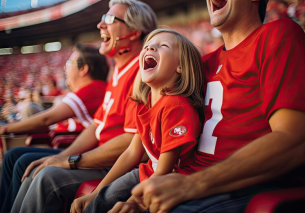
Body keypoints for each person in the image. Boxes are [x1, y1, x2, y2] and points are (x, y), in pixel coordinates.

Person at [130, 0, 305, 212]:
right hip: (190, 179)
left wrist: (192, 185)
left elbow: (296, 141)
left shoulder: (279, 34)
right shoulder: (203, 64)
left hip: (245, 183)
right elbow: (161, 121)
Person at [8, 0, 157, 213]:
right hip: (102, 156)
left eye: (110, 18)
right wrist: (61, 156)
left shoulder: (141, 73)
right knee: (33, 166)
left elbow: (130, 143)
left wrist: (70, 160)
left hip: (119, 165)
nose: (100, 24)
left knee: (45, 177)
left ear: (134, 33)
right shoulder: (117, 71)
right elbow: (97, 126)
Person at [70, 28, 205, 213]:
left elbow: (164, 170)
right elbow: (131, 153)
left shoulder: (177, 107)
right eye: (148, 46)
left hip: (171, 180)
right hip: (147, 172)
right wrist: (95, 193)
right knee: (99, 201)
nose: (150, 48)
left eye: (162, 45)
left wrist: (135, 202)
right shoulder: (146, 103)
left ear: (180, 66)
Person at [0, 43, 109, 213]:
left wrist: (4, 129)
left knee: (21, 161)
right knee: (14, 157)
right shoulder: (95, 88)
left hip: (92, 154)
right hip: (84, 149)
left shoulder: (92, 89)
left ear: (83, 69)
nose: (65, 68)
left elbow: (46, 119)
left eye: (69, 63)